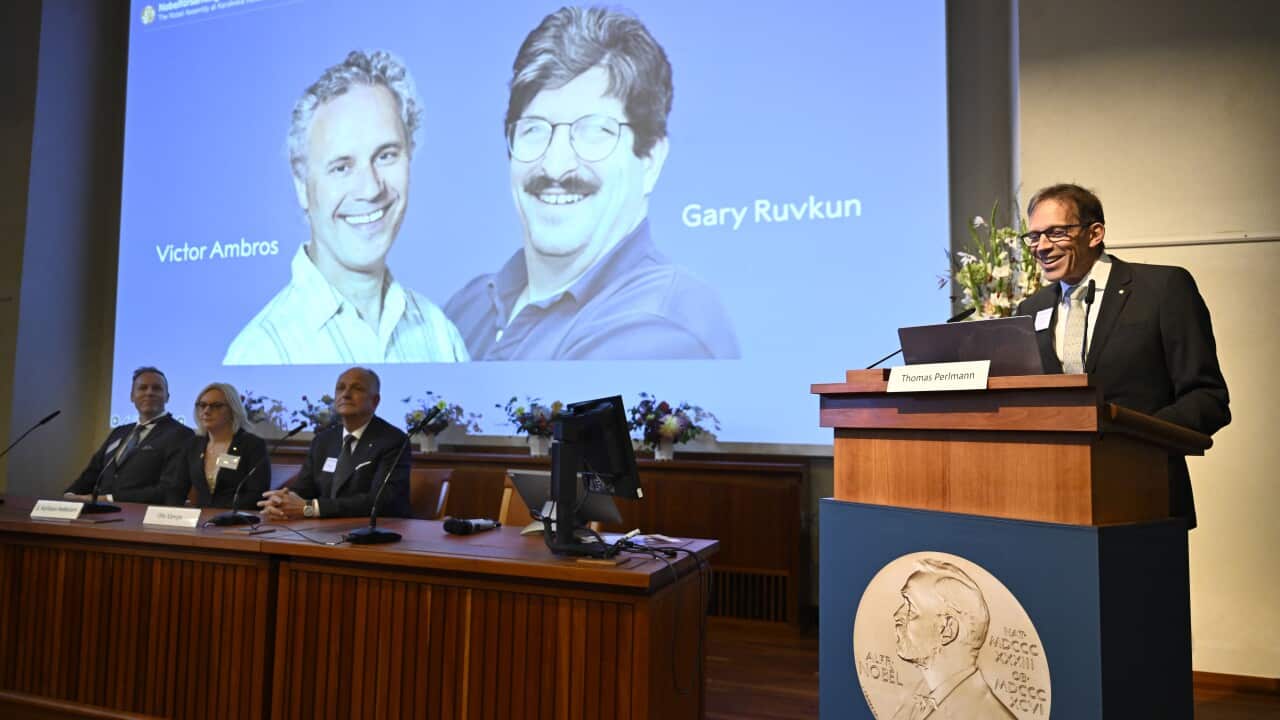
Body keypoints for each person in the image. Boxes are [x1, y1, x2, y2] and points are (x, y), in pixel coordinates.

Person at [445, 6, 739, 360]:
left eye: (594, 131)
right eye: (534, 129)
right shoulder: (469, 306)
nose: (555, 165)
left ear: (650, 160)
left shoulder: (662, 323)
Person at [224, 49, 468, 365]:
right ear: (301, 185)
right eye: (341, 167)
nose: (370, 188)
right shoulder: (260, 353)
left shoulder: (438, 334)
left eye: (386, 155)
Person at [1015, 183, 1230, 528]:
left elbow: (1207, 398)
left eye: (1056, 233)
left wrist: (1133, 440)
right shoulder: (1032, 307)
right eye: (1034, 236)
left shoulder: (1162, 289)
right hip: (1052, 502)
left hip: (1145, 494)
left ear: (1094, 233)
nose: (1041, 246)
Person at [258, 367, 410, 519]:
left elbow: (380, 501)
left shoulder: (393, 441)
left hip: (369, 532)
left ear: (375, 400)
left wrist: (311, 508)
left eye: (357, 388)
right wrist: (281, 501)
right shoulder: (323, 440)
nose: (346, 394)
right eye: (340, 388)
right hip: (322, 531)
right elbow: (303, 490)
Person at [891, 560, 1015, 720]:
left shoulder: (989, 715)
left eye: (910, 608)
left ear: (947, 630)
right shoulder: (913, 700)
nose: (896, 616)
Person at [65, 367, 193, 505]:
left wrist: (110, 499)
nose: (149, 393)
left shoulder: (181, 434)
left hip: (140, 518)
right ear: (132, 396)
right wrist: (70, 494)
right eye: (143, 388)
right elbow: (93, 472)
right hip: (98, 514)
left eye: (156, 388)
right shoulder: (119, 432)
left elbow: (168, 490)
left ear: (167, 397)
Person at [166, 382, 270, 509]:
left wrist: (219, 513)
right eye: (202, 405)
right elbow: (176, 489)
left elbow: (256, 494)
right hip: (201, 521)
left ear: (233, 410)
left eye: (216, 406)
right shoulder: (193, 445)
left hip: (237, 521)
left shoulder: (252, 445)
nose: (207, 411)